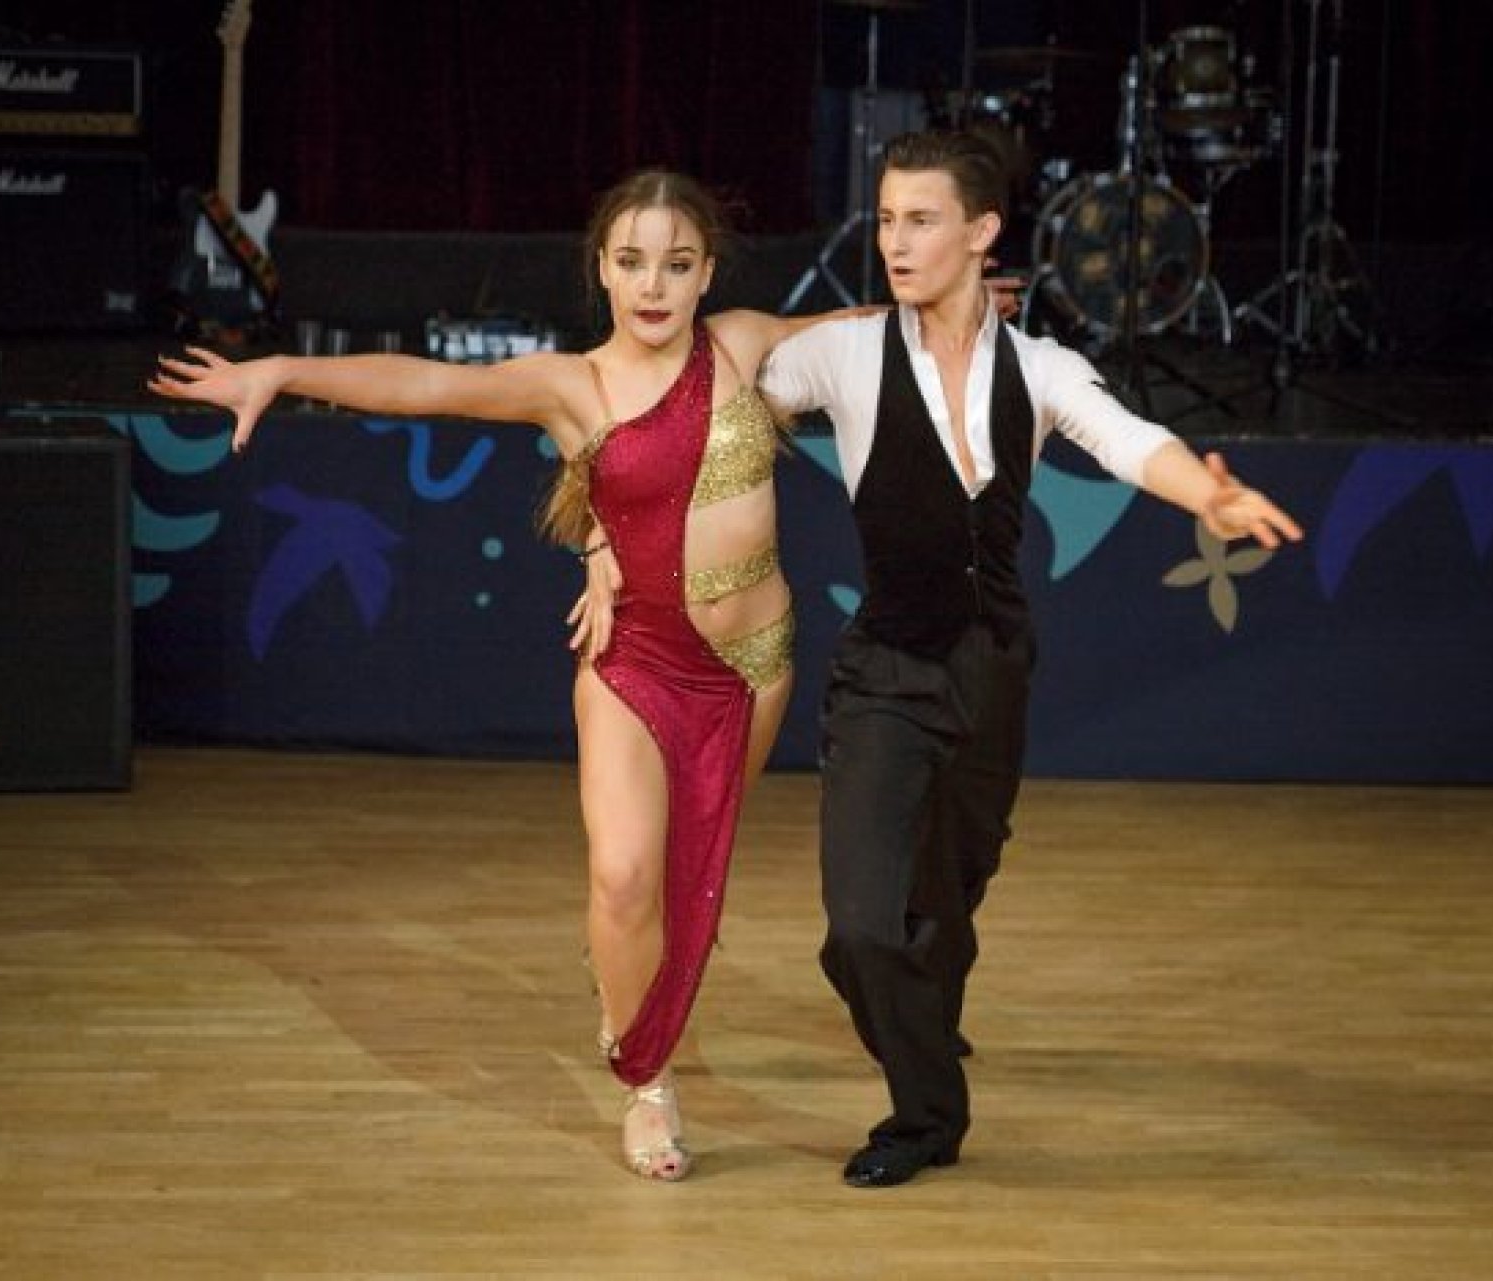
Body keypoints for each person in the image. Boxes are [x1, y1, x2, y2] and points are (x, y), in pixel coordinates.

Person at [149, 169, 862, 1182]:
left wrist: (958, 297)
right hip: (636, 663)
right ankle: (647, 1083)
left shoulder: (743, 344)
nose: (652, 286)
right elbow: (426, 384)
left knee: (683, 882)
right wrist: (282, 373)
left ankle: (623, 967)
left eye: (676, 264)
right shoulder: (571, 387)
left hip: (753, 668)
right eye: (630, 262)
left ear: (708, 272)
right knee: (624, 877)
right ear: (601, 269)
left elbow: (869, 334)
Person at [756, 128, 1306, 1189]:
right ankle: (927, 1114)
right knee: (862, 931)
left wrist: (1208, 493)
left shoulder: (1043, 368)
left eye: (921, 220)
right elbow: (729, 405)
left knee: (947, 902)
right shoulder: (845, 354)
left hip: (991, 667)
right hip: (884, 670)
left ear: (982, 232)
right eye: (886, 219)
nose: (896, 241)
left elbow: (1126, 438)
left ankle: (925, 1017)